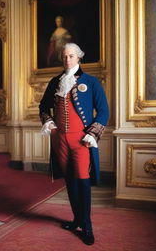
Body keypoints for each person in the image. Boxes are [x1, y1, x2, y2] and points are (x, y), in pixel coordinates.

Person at [39, 43, 109, 245]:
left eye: (71, 56)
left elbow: (104, 111)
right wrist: (49, 122)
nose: (67, 60)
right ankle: (77, 219)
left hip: (81, 141)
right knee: (69, 179)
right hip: (60, 139)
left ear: (79, 58)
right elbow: (44, 106)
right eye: (64, 57)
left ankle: (87, 225)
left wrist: (93, 134)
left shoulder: (91, 82)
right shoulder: (55, 82)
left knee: (83, 180)